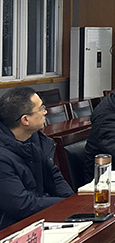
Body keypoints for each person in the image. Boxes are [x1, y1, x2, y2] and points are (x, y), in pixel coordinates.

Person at [0, 87, 73, 230]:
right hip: (13, 228)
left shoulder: (35, 139)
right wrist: (64, 204)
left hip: (38, 215)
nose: (45, 112)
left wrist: (70, 200)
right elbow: (22, 205)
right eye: (41, 109)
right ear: (25, 119)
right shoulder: (3, 157)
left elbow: (54, 176)